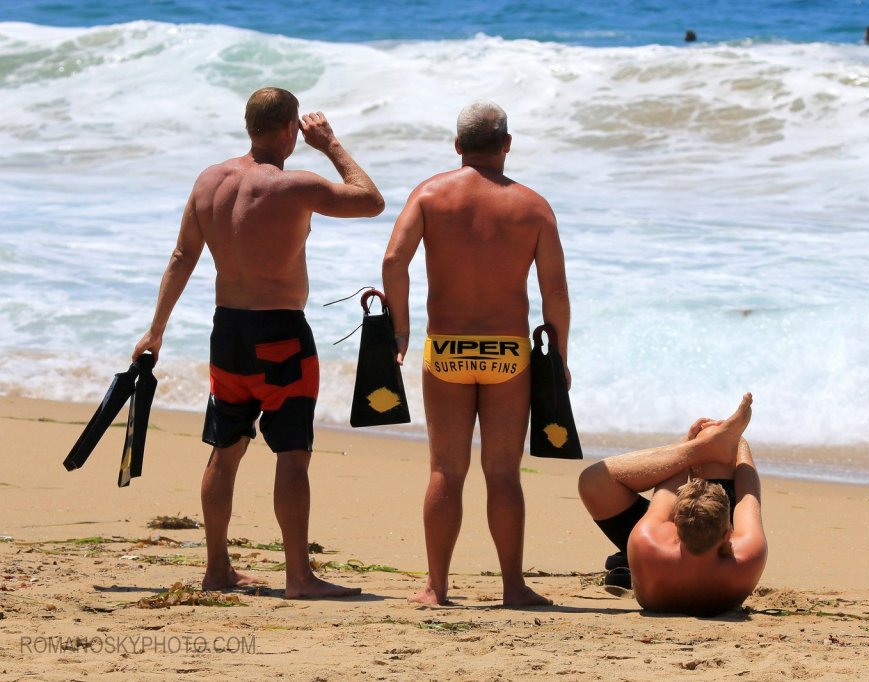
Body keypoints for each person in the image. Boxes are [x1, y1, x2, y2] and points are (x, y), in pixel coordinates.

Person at [132, 86, 385, 599]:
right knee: (291, 454)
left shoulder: (210, 181)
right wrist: (332, 144)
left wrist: (155, 329)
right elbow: (371, 201)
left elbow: (183, 256)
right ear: (292, 129)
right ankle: (298, 576)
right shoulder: (293, 186)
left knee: (225, 452)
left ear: (249, 126)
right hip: (281, 337)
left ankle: (218, 569)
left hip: (227, 333)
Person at [382, 100, 571, 607]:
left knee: (446, 469)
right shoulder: (532, 206)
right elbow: (555, 293)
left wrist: (399, 331)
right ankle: (512, 587)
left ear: (458, 146)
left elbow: (393, 260)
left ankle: (436, 588)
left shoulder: (429, 194)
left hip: (446, 348)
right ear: (507, 145)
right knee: (504, 472)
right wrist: (560, 359)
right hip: (507, 352)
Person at [577, 393, 767, 616]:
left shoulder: (647, 541)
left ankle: (710, 444)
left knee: (593, 481)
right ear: (728, 534)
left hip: (656, 567)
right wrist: (736, 441)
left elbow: (667, 485)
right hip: (719, 582)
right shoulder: (748, 555)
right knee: (712, 440)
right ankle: (713, 443)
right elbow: (748, 497)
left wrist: (693, 444)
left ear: (674, 523)